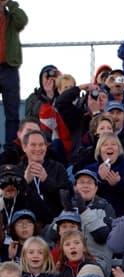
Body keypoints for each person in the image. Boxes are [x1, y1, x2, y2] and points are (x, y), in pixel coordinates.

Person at [86, 132, 124, 216]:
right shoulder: (90, 170)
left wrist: (119, 183)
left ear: (119, 149)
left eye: (113, 144)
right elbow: (84, 194)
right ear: (99, 150)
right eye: (105, 145)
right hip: (96, 218)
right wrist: (99, 180)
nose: (109, 147)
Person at [16, 129, 70, 217]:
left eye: (41, 145)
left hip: (54, 221)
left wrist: (46, 180)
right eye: (33, 145)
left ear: (46, 147)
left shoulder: (58, 168)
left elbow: (66, 200)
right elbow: (13, 202)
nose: (38, 148)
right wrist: (24, 183)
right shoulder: (17, 170)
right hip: (27, 222)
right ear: (24, 147)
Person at [0, 0, 27, 146]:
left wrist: (10, 3)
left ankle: (10, 152)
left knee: (12, 113)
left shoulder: (11, 16)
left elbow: (22, 21)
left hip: (9, 68)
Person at [0, 163, 52, 229]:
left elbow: (47, 218)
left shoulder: (27, 198)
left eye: (14, 180)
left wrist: (25, 187)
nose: (10, 185)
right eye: (3, 181)